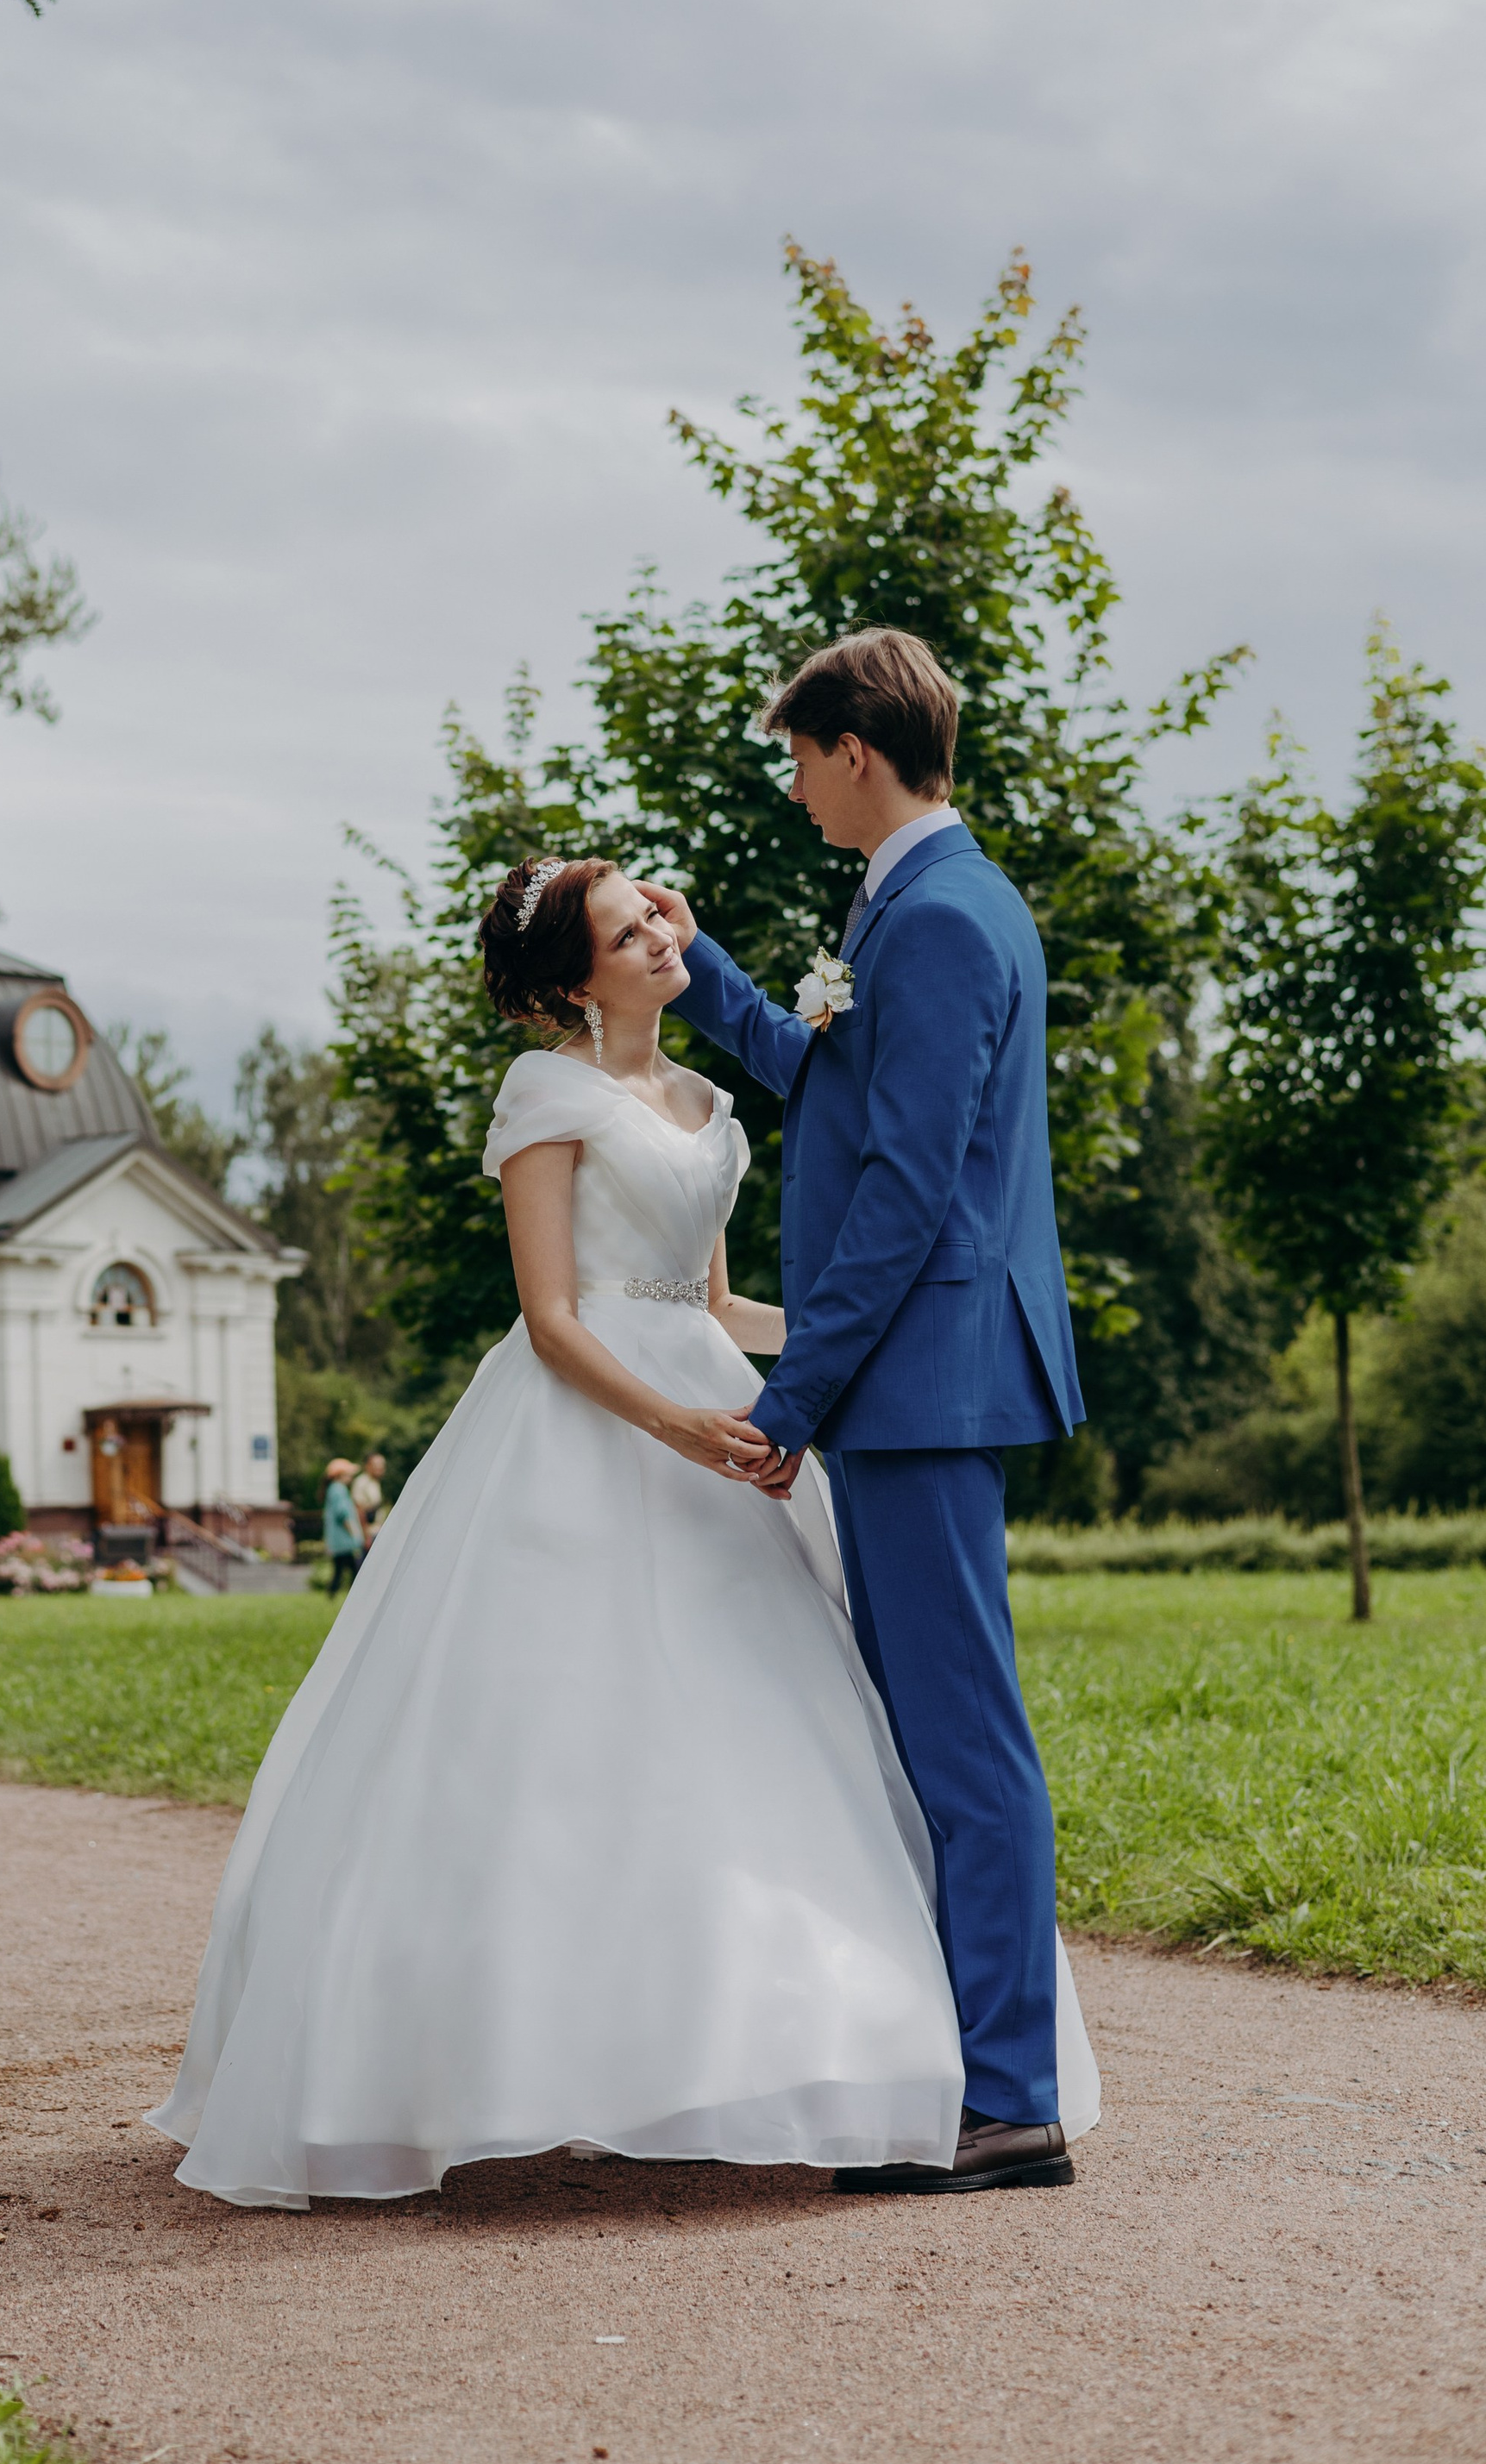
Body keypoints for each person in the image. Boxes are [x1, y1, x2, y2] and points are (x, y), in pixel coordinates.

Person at [147, 848, 1097, 2209]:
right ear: (569, 985)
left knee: (769, 1736)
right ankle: (489, 2061)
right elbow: (553, 1320)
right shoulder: (544, 1097)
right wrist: (681, 1428)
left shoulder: (709, 1100)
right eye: (624, 926)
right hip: (592, 1427)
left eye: (651, 911)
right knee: (554, 1757)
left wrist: (841, 1359)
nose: (660, 932)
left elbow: (716, 1311)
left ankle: (743, 2052)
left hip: (718, 1420)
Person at [648, 624, 1088, 2195]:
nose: (789, 783)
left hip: (919, 1382)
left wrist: (795, 1390)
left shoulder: (950, 916)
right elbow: (822, 1083)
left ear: (853, 746)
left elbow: (906, 1187)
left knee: (966, 1740)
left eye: (794, 752)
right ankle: (958, 2077)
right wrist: (698, 964)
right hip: (905, 1382)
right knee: (925, 1730)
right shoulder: (901, 902)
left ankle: (1011, 2096)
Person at [320, 1459, 364, 1593]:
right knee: (354, 1570)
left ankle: (333, 1592)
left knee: (339, 1570)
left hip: (338, 1541)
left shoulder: (333, 1489)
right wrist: (353, 1533)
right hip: (344, 1539)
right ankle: (356, 1593)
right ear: (340, 1475)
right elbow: (343, 1513)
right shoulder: (339, 1489)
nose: (351, 1478)